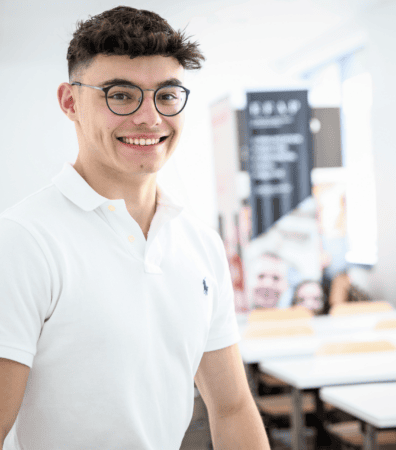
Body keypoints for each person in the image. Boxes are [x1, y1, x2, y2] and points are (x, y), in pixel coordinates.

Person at [0, 6, 270, 450]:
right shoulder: (24, 241)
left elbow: (232, 407)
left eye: (166, 95)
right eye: (121, 96)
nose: (149, 118)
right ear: (70, 102)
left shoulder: (200, 244)